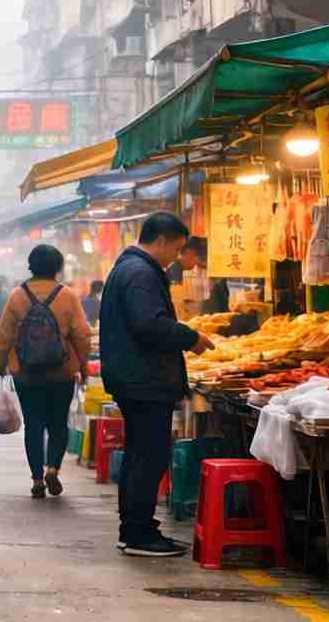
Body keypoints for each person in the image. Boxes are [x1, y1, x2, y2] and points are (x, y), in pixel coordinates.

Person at [100, 213, 214, 557]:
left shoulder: (131, 268)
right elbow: (149, 324)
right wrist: (191, 337)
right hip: (143, 380)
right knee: (148, 456)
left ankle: (137, 528)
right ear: (161, 241)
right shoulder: (139, 273)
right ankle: (138, 533)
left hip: (137, 378)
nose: (176, 257)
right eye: (176, 249)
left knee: (141, 454)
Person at [0, 247, 91, 499]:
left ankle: (37, 479)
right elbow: (82, 335)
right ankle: (53, 469)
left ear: (31, 266)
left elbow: (3, 336)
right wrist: (83, 366)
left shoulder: (17, 296)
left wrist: (1, 364)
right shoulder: (67, 296)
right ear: (58, 267)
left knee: (33, 424)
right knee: (58, 423)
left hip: (26, 373)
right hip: (61, 373)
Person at [167, 237, 230, 314]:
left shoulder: (176, 268)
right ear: (188, 252)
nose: (196, 261)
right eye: (195, 256)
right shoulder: (174, 271)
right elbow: (177, 304)